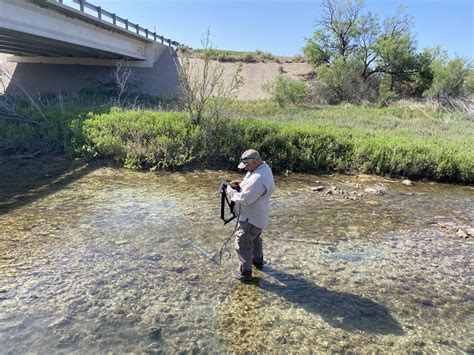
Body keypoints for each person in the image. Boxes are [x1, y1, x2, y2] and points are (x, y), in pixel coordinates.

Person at [226, 149, 275, 281]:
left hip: (250, 219)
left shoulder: (258, 178)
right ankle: (258, 262)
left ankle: (245, 273)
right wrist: (241, 183)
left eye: (247, 165)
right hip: (259, 218)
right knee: (255, 239)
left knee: (242, 243)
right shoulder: (263, 169)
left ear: (255, 161)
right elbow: (252, 185)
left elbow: (245, 199)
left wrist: (229, 191)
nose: (245, 169)